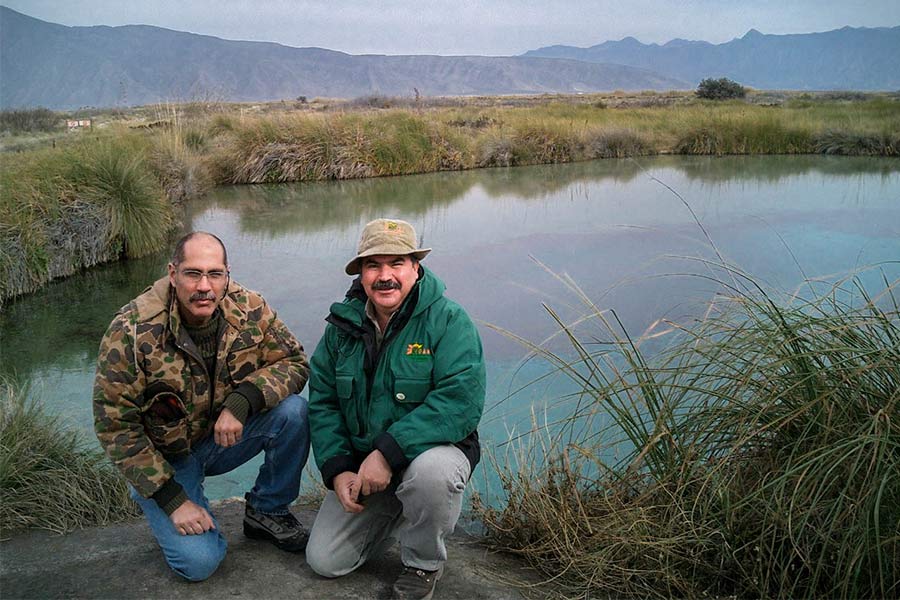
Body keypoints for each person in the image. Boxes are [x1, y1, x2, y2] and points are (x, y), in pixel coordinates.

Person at [93, 231, 310, 582]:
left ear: (227, 275)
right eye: (193, 273)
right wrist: (173, 500)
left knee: (294, 413)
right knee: (199, 564)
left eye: (215, 274)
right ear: (173, 273)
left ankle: (266, 510)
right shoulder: (131, 331)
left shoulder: (250, 307)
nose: (204, 286)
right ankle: (159, 495)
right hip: (167, 458)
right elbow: (115, 426)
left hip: (222, 439)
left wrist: (243, 401)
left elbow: (295, 363)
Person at [305, 218, 486, 600]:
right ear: (361, 273)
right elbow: (322, 401)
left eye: (397, 264)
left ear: (415, 269)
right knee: (325, 561)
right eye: (373, 265)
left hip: (428, 456)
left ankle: (423, 563)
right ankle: (400, 510)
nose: (385, 276)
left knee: (431, 476)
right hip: (364, 465)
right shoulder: (340, 327)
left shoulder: (449, 320)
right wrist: (337, 469)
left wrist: (387, 454)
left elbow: (460, 402)